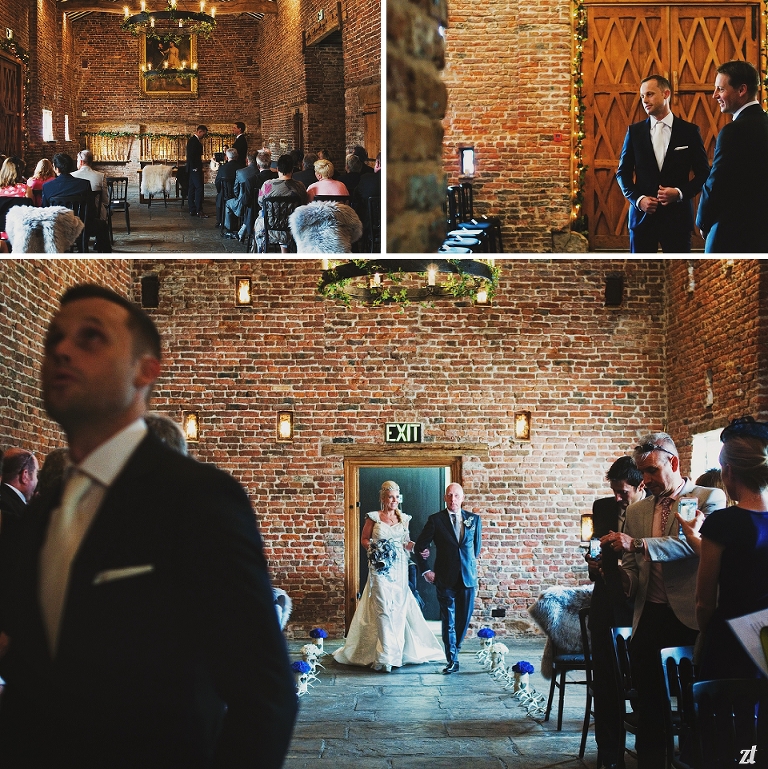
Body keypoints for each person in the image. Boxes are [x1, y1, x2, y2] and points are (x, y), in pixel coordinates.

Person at [0, 283, 298, 768]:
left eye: (90, 337)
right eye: (55, 337)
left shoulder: (199, 498)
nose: (61, 349)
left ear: (146, 370)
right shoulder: (44, 510)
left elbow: (264, 698)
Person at [603, 433, 727, 769]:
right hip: (650, 618)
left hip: (691, 617)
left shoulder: (708, 497)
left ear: (673, 462)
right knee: (650, 708)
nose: (646, 480)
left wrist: (638, 545)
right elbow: (632, 572)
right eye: (642, 473)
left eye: (652, 471)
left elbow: (689, 546)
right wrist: (613, 573)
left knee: (694, 707)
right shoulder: (639, 510)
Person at [333, 481, 443, 673]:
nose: (394, 500)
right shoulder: (373, 518)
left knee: (398, 609)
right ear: (383, 498)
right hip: (380, 568)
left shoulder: (404, 519)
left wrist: (418, 548)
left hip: (399, 568)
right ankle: (385, 657)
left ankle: (397, 653)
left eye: (396, 497)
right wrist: (376, 549)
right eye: (390, 497)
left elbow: (405, 543)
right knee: (383, 607)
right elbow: (364, 539)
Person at [696, 417, 768, 681]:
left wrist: (707, 635)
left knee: (728, 718)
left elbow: (704, 603)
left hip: (732, 643)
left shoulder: (721, 523)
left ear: (727, 471)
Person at [587, 456, 645, 769]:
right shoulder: (603, 507)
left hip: (640, 607)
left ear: (641, 486)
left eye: (624, 492)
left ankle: (648, 750)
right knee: (606, 684)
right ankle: (609, 755)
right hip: (606, 603)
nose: (618, 499)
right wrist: (593, 562)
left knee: (640, 681)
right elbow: (596, 544)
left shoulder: (651, 513)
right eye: (615, 492)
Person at [616, 75, 710, 253]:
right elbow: (622, 173)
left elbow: (704, 173)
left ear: (666, 94)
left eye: (650, 94)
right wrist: (639, 200)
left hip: (677, 219)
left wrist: (680, 193)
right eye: (642, 96)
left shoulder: (689, 131)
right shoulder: (634, 132)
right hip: (642, 218)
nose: (644, 100)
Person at [696, 60, 768, 253]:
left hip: (732, 231)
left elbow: (716, 182)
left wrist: (702, 220)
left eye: (720, 88)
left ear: (741, 90)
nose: (715, 95)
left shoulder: (733, 131)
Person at [414, 483, 482, 674]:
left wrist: (466, 566)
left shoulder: (474, 520)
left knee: (463, 620)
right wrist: (426, 570)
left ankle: (456, 650)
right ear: (445, 498)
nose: (453, 499)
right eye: (449, 495)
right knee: (448, 619)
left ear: (462, 498)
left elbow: (475, 549)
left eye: (456, 495)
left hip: (468, 579)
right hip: (444, 578)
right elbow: (420, 546)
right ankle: (451, 659)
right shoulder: (436, 520)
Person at [42, 153, 111, 253]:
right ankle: (105, 254)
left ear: (56, 168)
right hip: (82, 226)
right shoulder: (84, 184)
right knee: (103, 225)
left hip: (57, 228)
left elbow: (45, 210)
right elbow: (91, 209)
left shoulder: (47, 186)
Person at [253, 153, 308, 253]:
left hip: (270, 225)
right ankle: (285, 250)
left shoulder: (268, 184)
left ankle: (261, 251)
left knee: (259, 219)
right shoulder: (300, 186)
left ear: (277, 169)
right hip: (292, 226)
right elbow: (304, 203)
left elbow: (260, 202)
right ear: (292, 170)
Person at [224, 150, 259, 240]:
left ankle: (230, 229)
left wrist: (238, 197)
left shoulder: (240, 172)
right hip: (258, 205)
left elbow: (235, 189)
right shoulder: (260, 172)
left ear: (247, 160)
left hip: (243, 204)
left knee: (228, 203)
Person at [71, 149, 109, 221]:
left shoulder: (72, 176)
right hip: (96, 214)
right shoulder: (101, 176)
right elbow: (105, 200)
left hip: (77, 214)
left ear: (81, 162)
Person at [214, 147, 243, 227]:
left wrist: (220, 191)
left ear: (227, 157)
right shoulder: (241, 168)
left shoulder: (223, 168)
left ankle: (220, 221)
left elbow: (217, 182)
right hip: (237, 195)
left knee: (219, 196)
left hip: (225, 195)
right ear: (237, 156)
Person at [186, 124, 209, 218]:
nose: (204, 136)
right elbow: (191, 156)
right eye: (204, 133)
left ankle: (192, 209)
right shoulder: (194, 141)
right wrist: (195, 167)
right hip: (194, 169)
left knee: (191, 189)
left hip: (192, 169)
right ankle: (199, 210)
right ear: (200, 132)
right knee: (199, 188)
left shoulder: (193, 140)